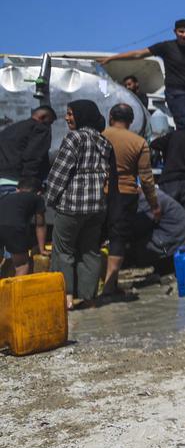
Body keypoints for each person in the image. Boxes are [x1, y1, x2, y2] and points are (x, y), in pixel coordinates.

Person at [45, 100, 118, 309]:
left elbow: (59, 173)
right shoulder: (103, 141)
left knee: (63, 251)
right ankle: (89, 298)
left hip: (71, 206)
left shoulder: (74, 138)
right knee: (90, 251)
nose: (67, 118)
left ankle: (65, 298)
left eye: (70, 114)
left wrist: (50, 200)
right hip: (96, 208)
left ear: (81, 115)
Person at [100, 19, 185, 129]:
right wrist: (112, 58)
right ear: (175, 32)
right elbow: (139, 54)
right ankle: (183, 145)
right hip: (175, 92)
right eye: (181, 32)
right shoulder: (166, 47)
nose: (184, 35)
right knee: (184, 124)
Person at [101, 103, 160, 297]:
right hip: (125, 194)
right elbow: (146, 178)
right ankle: (110, 286)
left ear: (111, 117)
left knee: (94, 236)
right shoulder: (139, 142)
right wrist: (154, 205)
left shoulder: (100, 136)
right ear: (131, 121)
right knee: (118, 238)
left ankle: (89, 285)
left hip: (99, 190)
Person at [128, 188, 185, 266]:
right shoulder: (151, 194)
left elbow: (134, 230)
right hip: (182, 241)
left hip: (178, 246)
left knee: (128, 245)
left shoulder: (145, 200)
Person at [0, 105, 57, 194]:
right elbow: (33, 156)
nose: (49, 126)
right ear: (43, 117)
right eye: (50, 122)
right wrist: (28, 185)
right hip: (21, 185)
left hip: (3, 182)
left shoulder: (9, 129)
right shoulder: (39, 128)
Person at [0, 177, 47, 276]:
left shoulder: (4, 197)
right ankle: (16, 291)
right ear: (39, 192)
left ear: (17, 190)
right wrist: (42, 249)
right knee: (22, 265)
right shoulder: (37, 198)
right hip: (14, 228)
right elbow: (40, 224)